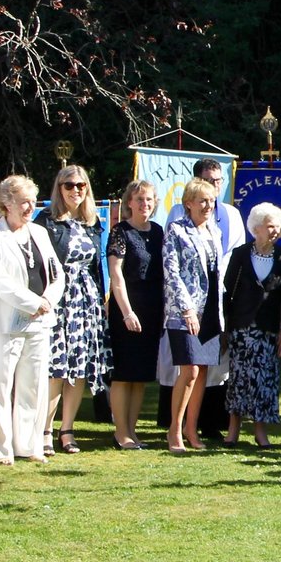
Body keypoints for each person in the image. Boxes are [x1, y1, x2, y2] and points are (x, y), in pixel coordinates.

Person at [0, 175, 63, 465]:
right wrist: (31, 303)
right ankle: (0, 448)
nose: (29, 207)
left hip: (41, 322)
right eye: (23, 202)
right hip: (6, 323)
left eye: (32, 201)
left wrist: (47, 302)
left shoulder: (39, 233)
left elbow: (57, 274)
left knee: (34, 385)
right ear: (6, 203)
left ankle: (29, 445)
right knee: (0, 386)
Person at [37, 165, 108, 456]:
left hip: (86, 302)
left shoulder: (92, 223)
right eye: (69, 185)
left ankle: (67, 430)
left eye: (81, 185)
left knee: (78, 369)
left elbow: (96, 267)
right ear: (59, 188)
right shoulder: (46, 221)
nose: (75, 190)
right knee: (56, 368)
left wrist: (103, 304)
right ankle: (44, 429)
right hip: (58, 298)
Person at [223, 204, 281, 447]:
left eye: (277, 226)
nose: (275, 230)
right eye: (270, 226)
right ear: (256, 229)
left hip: (268, 329)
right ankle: (233, 430)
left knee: (264, 381)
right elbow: (228, 291)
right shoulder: (241, 254)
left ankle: (260, 432)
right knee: (238, 378)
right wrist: (226, 328)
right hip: (241, 328)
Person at [162, 176, 227, 452]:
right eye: (202, 201)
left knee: (202, 373)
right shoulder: (176, 230)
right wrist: (187, 308)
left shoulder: (214, 231)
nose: (208, 205)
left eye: (211, 201)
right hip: (183, 312)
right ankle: (173, 430)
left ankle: (191, 427)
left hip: (210, 310)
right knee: (188, 371)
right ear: (188, 204)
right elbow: (171, 273)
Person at [106, 181, 165, 450]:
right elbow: (116, 276)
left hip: (153, 310)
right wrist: (127, 312)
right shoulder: (120, 232)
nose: (145, 204)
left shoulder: (159, 231)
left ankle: (133, 430)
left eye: (149, 200)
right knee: (123, 373)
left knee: (141, 375)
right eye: (139, 199)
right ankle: (120, 432)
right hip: (126, 309)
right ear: (129, 202)